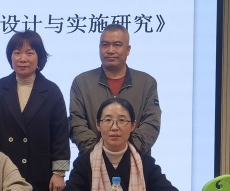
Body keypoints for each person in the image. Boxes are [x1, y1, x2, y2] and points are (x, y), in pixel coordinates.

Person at [58, 97, 180, 191]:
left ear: (133, 125)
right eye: (107, 120)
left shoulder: (145, 163)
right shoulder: (85, 162)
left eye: (122, 120)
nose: (114, 127)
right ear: (98, 125)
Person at [0, 31, 70, 191]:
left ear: (39, 57)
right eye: (17, 53)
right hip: (3, 172)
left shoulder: (52, 91)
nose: (22, 59)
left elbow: (60, 136)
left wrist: (59, 173)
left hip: (39, 173)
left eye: (29, 53)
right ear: (10, 57)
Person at [69, 23, 161, 155]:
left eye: (117, 45)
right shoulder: (82, 82)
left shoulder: (146, 82)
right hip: (92, 161)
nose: (110, 50)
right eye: (105, 45)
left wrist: (125, 152)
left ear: (128, 49)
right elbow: (76, 123)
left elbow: (151, 123)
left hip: (136, 160)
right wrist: (100, 153)